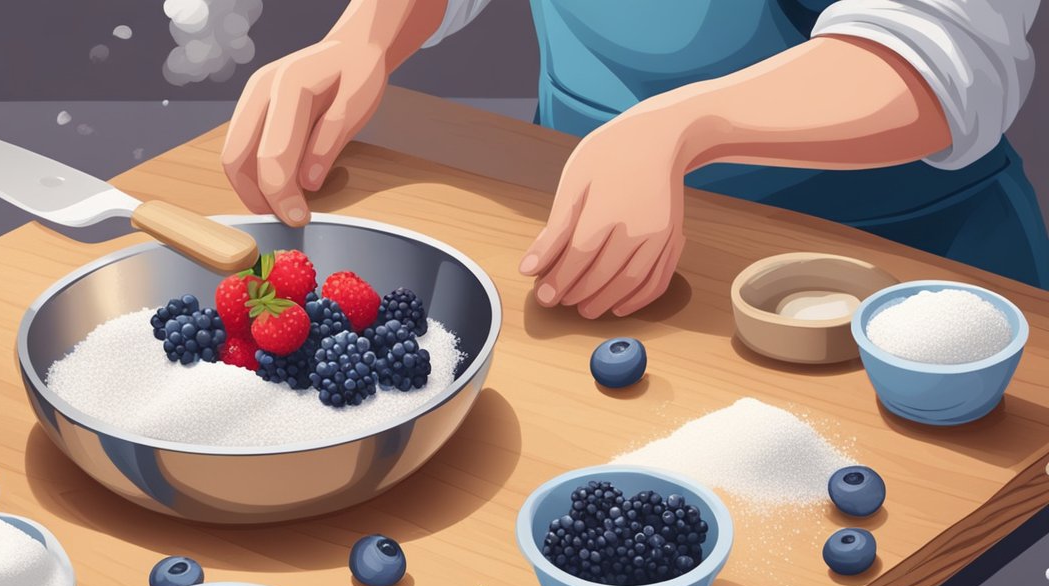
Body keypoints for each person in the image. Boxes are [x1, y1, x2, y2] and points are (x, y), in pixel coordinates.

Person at [221, 0, 1049, 318]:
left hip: (888, 278)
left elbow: (937, 54)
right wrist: (362, 36)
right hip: (590, 244)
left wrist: (679, 128)